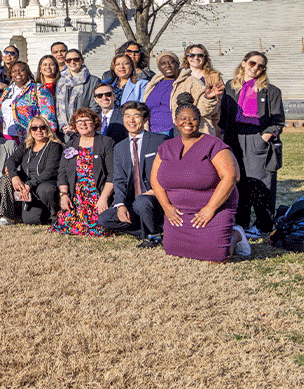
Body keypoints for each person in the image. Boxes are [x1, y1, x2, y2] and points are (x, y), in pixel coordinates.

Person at [151, 103, 240, 262]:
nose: (188, 122)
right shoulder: (166, 147)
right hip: (178, 212)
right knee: (172, 250)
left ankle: (236, 235)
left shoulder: (214, 144)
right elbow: (155, 180)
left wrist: (210, 209)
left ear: (199, 121)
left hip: (213, 209)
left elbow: (231, 177)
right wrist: (166, 207)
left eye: (193, 119)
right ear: (176, 121)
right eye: (183, 119)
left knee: (218, 256)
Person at [221, 50, 284, 239]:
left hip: (257, 137)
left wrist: (265, 137)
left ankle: (264, 225)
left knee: (261, 181)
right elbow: (223, 115)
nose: (256, 68)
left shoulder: (271, 91)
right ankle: (241, 223)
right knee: (238, 179)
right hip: (234, 137)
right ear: (243, 63)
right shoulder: (230, 87)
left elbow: (278, 120)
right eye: (252, 63)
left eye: (261, 66)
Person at [98, 101, 167, 246]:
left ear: (145, 119)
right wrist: (120, 205)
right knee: (104, 219)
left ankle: (153, 236)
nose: (131, 120)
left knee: (143, 201)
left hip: (154, 199)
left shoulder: (159, 141)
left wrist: (157, 190)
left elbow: (169, 171)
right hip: (133, 203)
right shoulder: (120, 147)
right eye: (127, 116)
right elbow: (119, 179)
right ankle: (147, 231)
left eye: (136, 116)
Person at [51, 108, 115, 237]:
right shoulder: (70, 144)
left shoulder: (106, 142)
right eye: (79, 121)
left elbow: (112, 175)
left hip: (98, 193)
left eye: (87, 120)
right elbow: (62, 173)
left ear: (95, 122)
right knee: (65, 226)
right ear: (75, 125)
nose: (83, 124)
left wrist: (103, 198)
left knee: (99, 229)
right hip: (76, 194)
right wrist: (64, 195)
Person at [4, 115, 63, 224]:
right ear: (30, 131)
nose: (38, 130)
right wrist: (14, 176)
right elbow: (11, 161)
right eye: (34, 128)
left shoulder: (54, 146)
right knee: (31, 221)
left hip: (45, 184)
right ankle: (9, 215)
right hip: (29, 189)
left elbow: (50, 171)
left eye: (42, 127)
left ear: (48, 129)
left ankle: (56, 215)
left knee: (45, 189)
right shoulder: (26, 145)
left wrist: (30, 184)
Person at [0, 62, 57, 141]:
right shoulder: (7, 90)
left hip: (29, 137)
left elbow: (48, 115)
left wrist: (49, 137)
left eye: (21, 70)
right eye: (14, 71)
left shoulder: (39, 89)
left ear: (27, 72)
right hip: (6, 135)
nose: (18, 73)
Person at [181, 44, 226, 135]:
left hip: (208, 120)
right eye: (192, 55)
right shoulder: (181, 75)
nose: (196, 58)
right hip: (185, 119)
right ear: (187, 57)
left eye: (200, 55)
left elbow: (219, 100)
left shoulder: (213, 76)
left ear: (205, 58)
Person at [141, 52, 189, 135]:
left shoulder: (189, 82)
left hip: (175, 132)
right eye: (163, 63)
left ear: (178, 64)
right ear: (159, 67)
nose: (167, 65)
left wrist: (208, 97)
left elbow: (204, 107)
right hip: (152, 132)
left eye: (171, 62)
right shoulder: (153, 84)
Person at [56, 50, 99, 132]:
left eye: (76, 59)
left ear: (82, 61)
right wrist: (63, 127)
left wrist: (76, 126)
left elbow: (95, 107)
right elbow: (58, 108)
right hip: (65, 131)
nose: (72, 62)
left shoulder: (93, 81)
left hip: (85, 129)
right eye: (69, 60)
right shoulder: (61, 82)